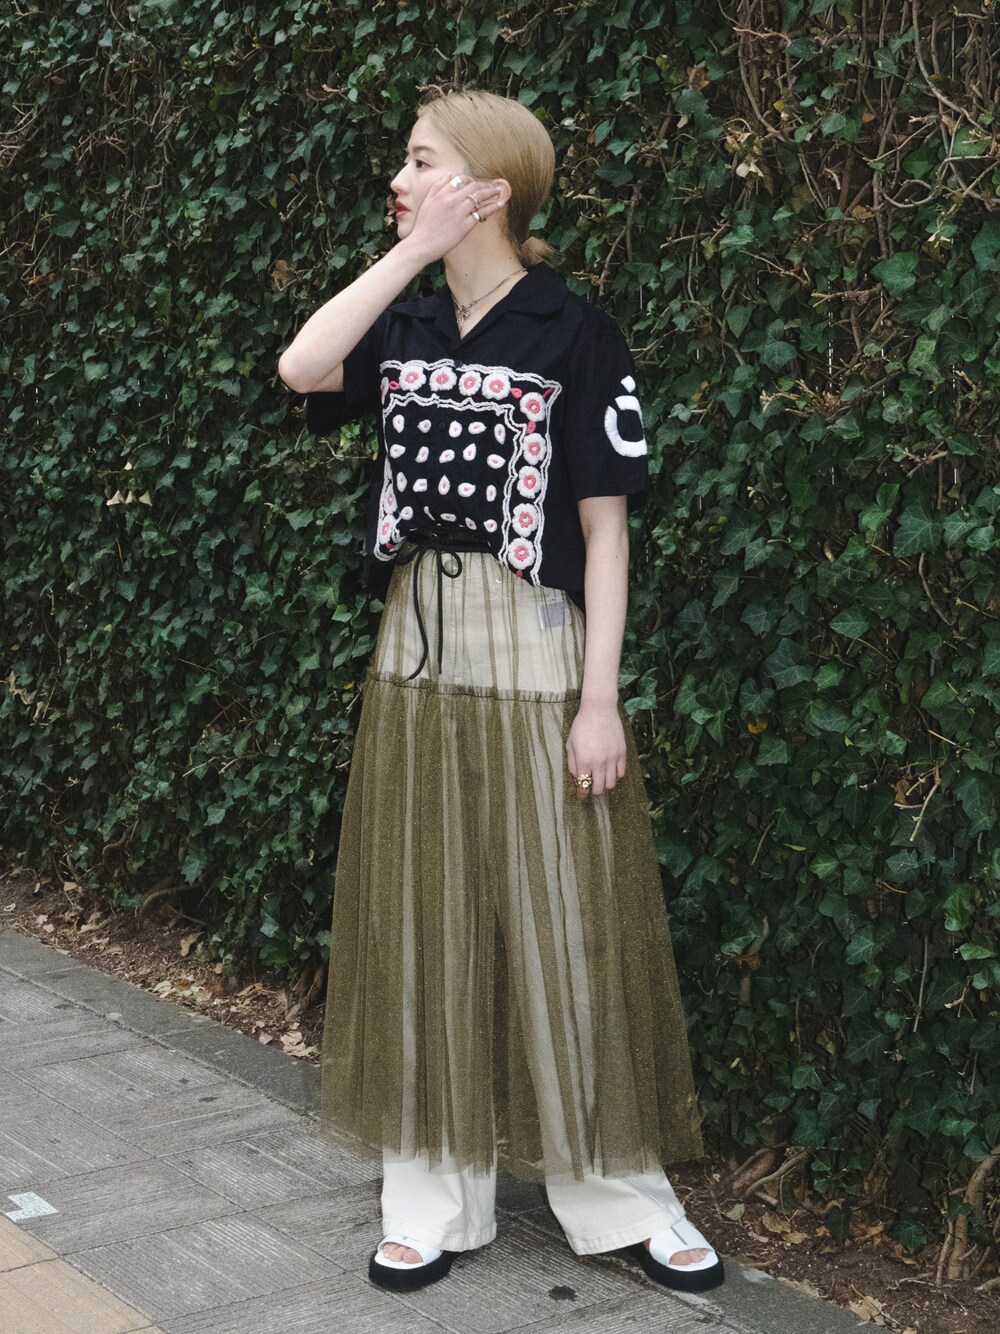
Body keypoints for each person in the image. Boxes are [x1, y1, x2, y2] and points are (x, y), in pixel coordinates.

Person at [278, 89, 724, 1296]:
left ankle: (620, 1193)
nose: (397, 179)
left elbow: (607, 531)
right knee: (422, 916)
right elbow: (302, 366)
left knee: (567, 922)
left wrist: (599, 699)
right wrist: (409, 254)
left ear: (490, 186)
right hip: (415, 660)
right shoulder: (405, 316)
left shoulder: (573, 330)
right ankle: (431, 1195)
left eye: (419, 161)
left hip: (535, 652)